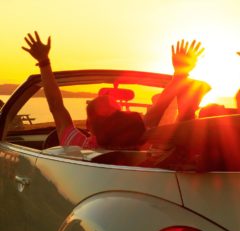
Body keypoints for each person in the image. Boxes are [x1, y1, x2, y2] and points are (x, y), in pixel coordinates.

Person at [22, 31, 207, 149]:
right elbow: (161, 105)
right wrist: (180, 72)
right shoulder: (140, 141)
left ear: (88, 125)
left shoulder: (77, 144)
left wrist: (44, 63)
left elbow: (56, 105)